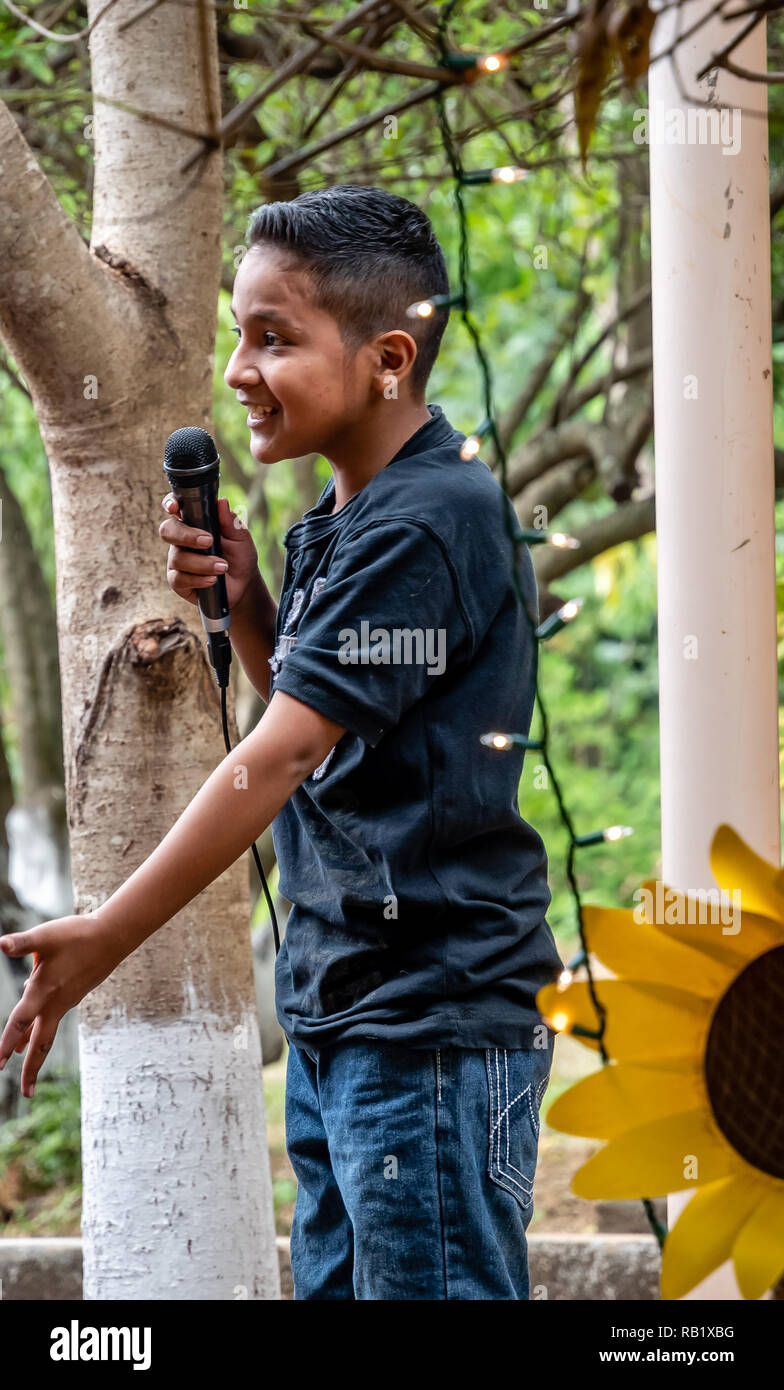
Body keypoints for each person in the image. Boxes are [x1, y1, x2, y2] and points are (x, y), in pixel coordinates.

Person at [0, 185, 563, 1300]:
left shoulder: (427, 518)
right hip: (350, 1009)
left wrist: (111, 931)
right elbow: (322, 717)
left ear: (389, 357)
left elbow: (281, 753)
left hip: (429, 1024)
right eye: (236, 335)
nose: (241, 369)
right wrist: (254, 598)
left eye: (275, 338)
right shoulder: (341, 523)